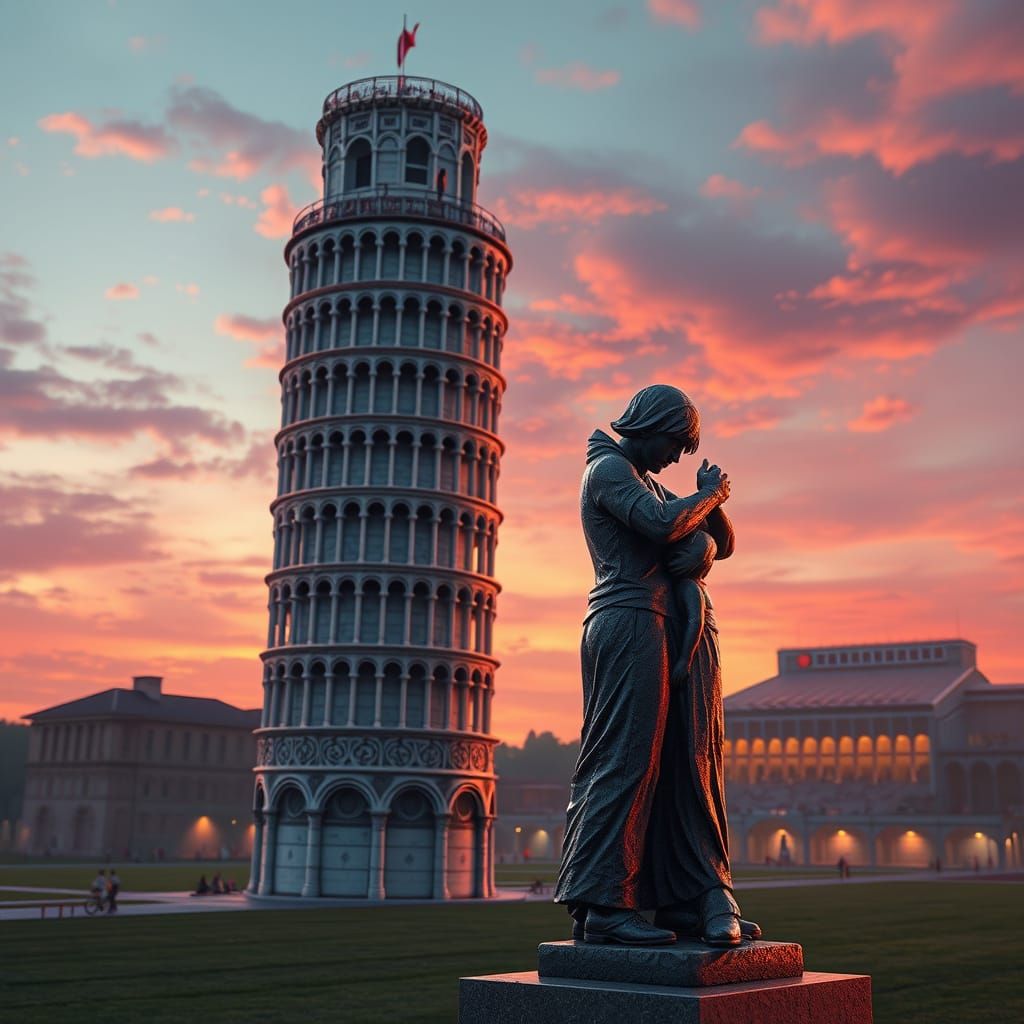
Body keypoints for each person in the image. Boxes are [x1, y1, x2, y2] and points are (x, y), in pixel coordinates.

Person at [555, 385, 760, 948]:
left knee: (682, 761)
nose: (677, 457)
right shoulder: (608, 472)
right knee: (625, 759)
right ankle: (601, 903)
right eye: (675, 443)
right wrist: (710, 495)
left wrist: (710, 522)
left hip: (661, 623)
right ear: (649, 426)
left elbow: (725, 541)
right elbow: (664, 526)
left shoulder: (645, 478)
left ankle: (684, 893)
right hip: (627, 621)